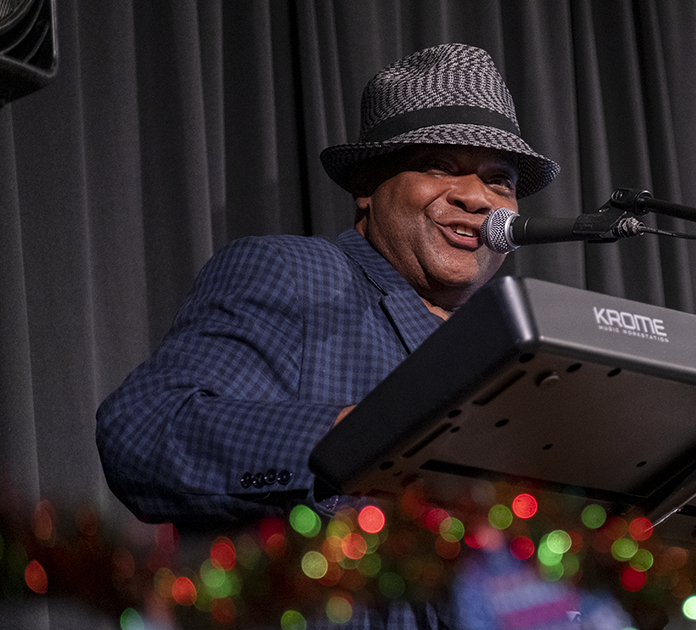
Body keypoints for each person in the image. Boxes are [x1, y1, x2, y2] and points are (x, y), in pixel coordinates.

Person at [94, 43, 568, 628]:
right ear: (366, 185)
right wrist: (349, 441)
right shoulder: (298, 274)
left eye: (500, 180)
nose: (476, 197)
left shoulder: (517, 354)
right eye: (440, 165)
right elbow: (144, 429)